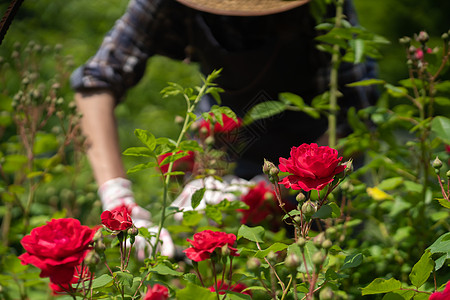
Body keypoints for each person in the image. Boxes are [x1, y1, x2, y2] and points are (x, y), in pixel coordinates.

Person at [71, 0, 377, 257]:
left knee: (320, 261)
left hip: (318, 163)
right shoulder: (165, 3)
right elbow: (96, 80)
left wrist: (272, 192)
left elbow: (355, 117)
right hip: (225, 147)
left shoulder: (324, 7)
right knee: (209, 263)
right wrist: (117, 197)